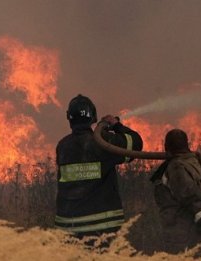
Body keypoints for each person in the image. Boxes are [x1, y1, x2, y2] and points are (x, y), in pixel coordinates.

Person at [54, 94, 143, 239]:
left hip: (68, 228)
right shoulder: (103, 142)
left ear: (69, 118)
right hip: (102, 229)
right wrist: (116, 125)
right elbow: (135, 144)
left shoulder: (63, 146)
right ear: (93, 117)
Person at [151, 129, 201, 255]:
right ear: (187, 145)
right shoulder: (193, 161)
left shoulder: (177, 168)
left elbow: (194, 198)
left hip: (184, 235)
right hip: (192, 233)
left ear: (166, 147)